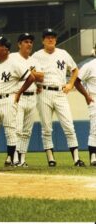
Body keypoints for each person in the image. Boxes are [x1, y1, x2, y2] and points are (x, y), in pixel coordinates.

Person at [32, 28, 85, 167]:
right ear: (43, 40)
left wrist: (70, 84)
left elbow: (75, 70)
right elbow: (31, 73)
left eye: (53, 37)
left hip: (60, 92)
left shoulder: (63, 54)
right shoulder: (36, 56)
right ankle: (50, 159)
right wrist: (35, 84)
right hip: (43, 91)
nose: (50, 39)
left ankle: (76, 159)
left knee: (68, 125)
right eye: (48, 37)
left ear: (56, 39)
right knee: (46, 128)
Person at [0, 36, 35, 168]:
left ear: (5, 49)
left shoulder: (14, 63)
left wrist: (19, 92)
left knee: (10, 131)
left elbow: (31, 78)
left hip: (8, 99)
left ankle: (12, 159)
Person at [8, 33, 44, 167]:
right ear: (19, 44)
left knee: (27, 131)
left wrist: (27, 72)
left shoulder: (34, 60)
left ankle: (22, 159)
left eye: (30, 42)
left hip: (32, 97)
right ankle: (15, 158)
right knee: (17, 129)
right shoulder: (12, 57)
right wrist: (30, 73)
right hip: (18, 96)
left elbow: (41, 77)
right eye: (25, 41)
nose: (29, 44)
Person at [74, 58, 96, 166]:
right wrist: (86, 96)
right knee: (95, 128)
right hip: (94, 98)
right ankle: (93, 156)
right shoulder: (90, 66)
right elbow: (76, 81)